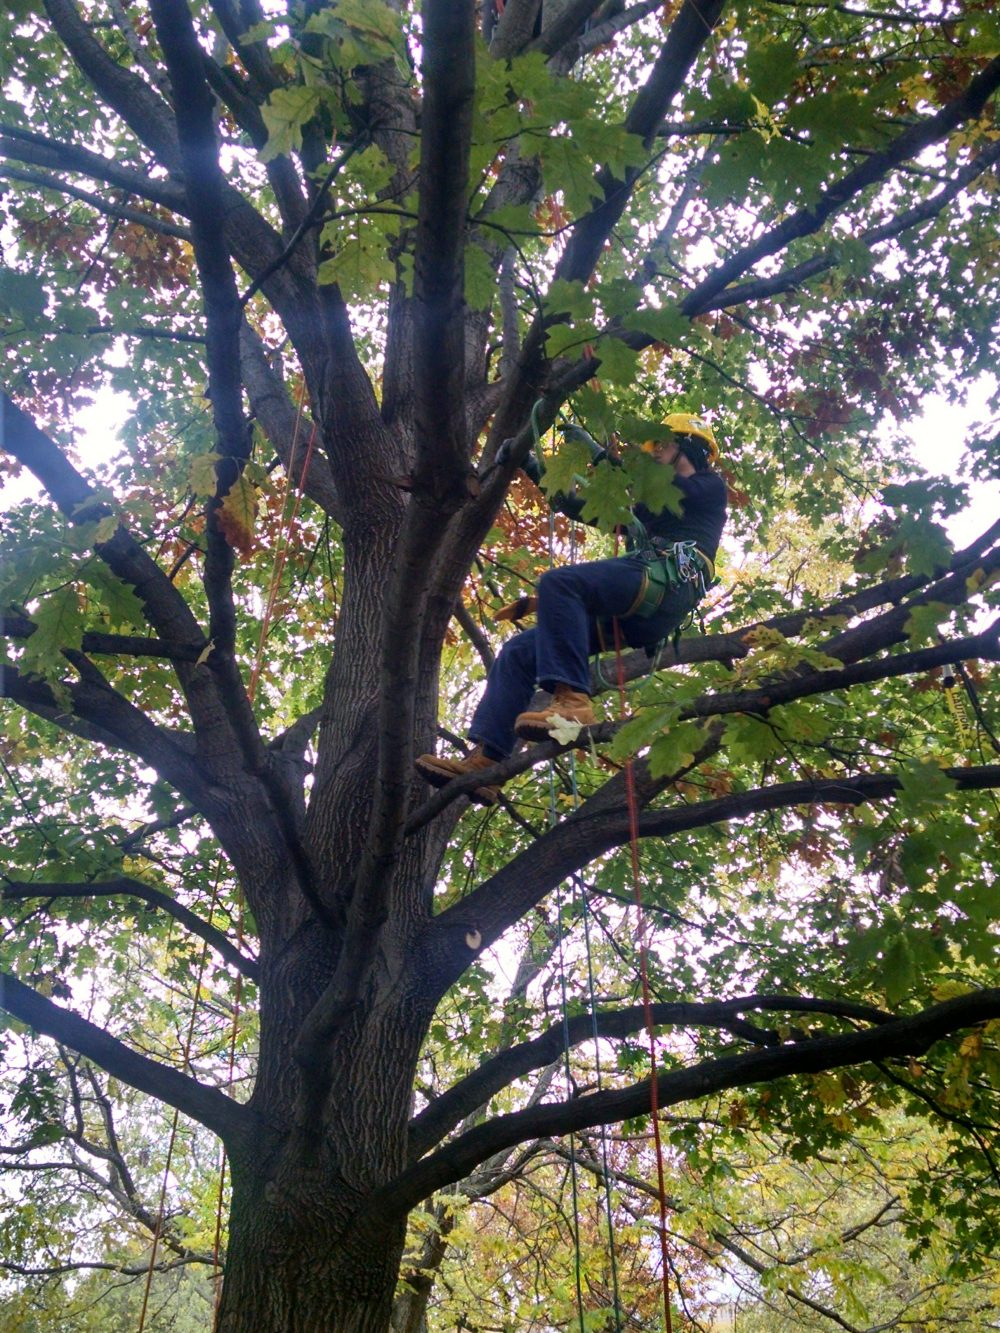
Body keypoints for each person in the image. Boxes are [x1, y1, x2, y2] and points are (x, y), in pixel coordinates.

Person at [415, 412, 728, 804]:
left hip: (668, 581)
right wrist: (530, 465)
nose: (654, 455)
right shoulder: (649, 507)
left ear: (691, 447)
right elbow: (588, 508)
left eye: (661, 445)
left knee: (561, 583)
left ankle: (573, 703)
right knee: (519, 653)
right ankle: (487, 763)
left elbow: (657, 488)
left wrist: (599, 455)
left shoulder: (709, 487)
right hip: (638, 606)